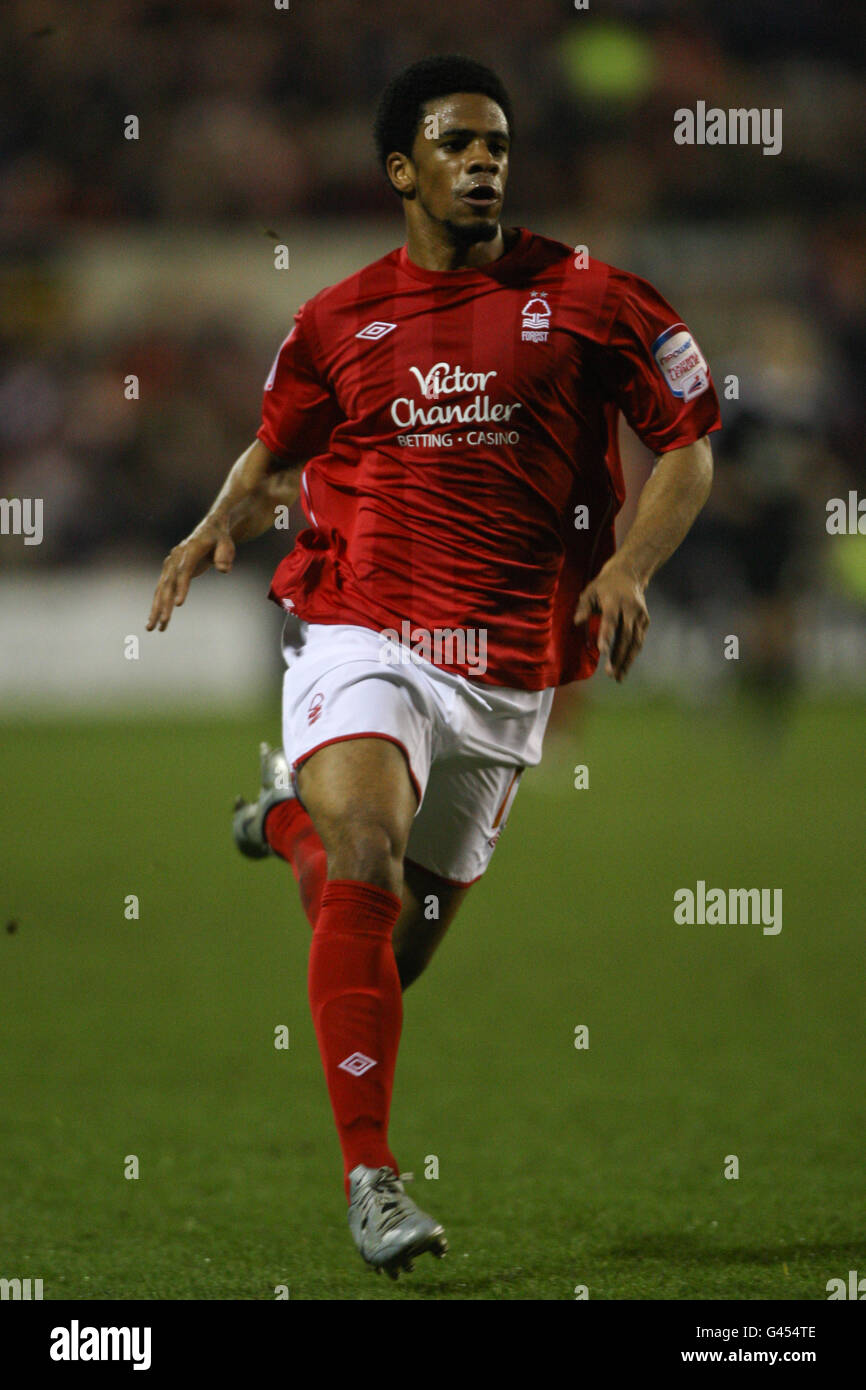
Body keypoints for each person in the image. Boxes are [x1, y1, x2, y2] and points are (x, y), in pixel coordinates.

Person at [147, 54, 720, 1280]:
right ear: (400, 170)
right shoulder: (335, 319)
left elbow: (687, 449)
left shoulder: (590, 296)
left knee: (385, 947)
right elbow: (270, 458)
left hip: (512, 664)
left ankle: (286, 827)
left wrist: (625, 569)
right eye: (456, 145)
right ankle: (371, 1177)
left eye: (497, 145)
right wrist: (211, 529)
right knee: (367, 853)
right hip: (360, 624)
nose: (482, 164)